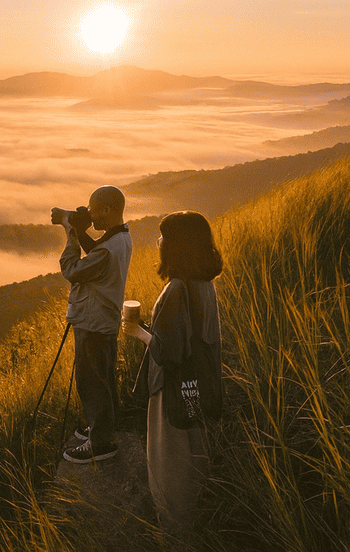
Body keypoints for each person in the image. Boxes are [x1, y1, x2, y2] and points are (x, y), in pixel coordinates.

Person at [122, 210, 223, 538]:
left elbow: (167, 352)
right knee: (194, 461)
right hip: (200, 385)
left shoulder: (175, 288)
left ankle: (174, 535)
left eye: (164, 235)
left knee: (169, 469)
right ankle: (195, 527)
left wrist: (137, 332)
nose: (159, 240)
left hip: (172, 390)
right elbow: (196, 338)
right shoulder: (205, 284)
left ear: (177, 244)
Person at [53, 185, 133, 463]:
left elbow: (71, 270)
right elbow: (98, 251)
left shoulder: (107, 251)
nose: (90, 214)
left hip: (93, 320)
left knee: (91, 382)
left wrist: (71, 231)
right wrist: (82, 228)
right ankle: (102, 427)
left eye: (94, 209)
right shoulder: (121, 237)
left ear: (108, 210)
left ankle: (100, 444)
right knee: (104, 377)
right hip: (105, 320)